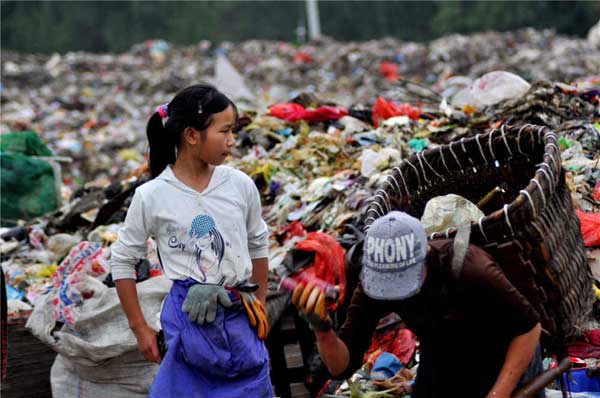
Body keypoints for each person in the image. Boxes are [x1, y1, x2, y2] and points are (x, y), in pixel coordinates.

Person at [110, 84, 272, 398]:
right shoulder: (152, 196)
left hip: (241, 316)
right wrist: (140, 328)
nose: (231, 140)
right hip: (189, 323)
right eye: (224, 131)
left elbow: (258, 244)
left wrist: (259, 304)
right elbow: (123, 261)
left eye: (232, 131)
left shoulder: (239, 185)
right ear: (192, 135)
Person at [293, 211, 543, 398]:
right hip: (442, 349)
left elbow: (529, 329)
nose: (396, 294)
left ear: (424, 258)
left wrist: (497, 395)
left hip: (503, 350)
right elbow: (340, 368)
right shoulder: (374, 284)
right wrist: (322, 331)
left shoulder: (469, 267)